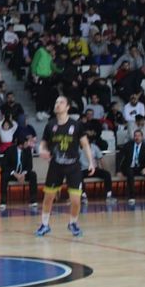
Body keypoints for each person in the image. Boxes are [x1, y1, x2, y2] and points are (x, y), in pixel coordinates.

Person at [36, 96, 95, 237]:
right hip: (56, 166)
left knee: (75, 200)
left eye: (61, 102)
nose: (57, 104)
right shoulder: (50, 125)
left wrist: (91, 162)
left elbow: (85, 144)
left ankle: (73, 223)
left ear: (67, 107)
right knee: (48, 197)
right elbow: (43, 143)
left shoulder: (76, 125)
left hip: (73, 166)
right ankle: (44, 225)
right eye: (56, 102)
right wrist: (41, 150)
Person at [0, 134, 37, 211]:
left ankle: (33, 200)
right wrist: (15, 174)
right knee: (4, 176)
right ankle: (3, 202)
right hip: (12, 174)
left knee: (33, 175)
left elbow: (29, 166)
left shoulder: (28, 150)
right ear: (20, 144)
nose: (27, 145)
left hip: (23, 174)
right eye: (26, 143)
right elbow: (4, 165)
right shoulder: (10, 150)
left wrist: (23, 174)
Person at [117, 129, 145, 205]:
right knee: (130, 172)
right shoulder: (128, 145)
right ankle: (131, 196)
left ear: (142, 137)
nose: (137, 137)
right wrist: (118, 170)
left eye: (138, 136)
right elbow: (119, 158)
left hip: (140, 168)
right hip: (128, 167)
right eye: (135, 136)